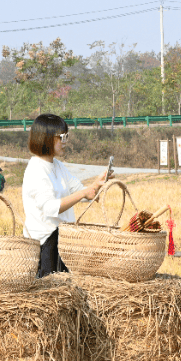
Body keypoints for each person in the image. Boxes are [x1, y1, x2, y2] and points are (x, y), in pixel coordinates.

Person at [22, 113, 110, 278]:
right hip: (43, 246)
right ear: (47, 138)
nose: (65, 142)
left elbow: (79, 191)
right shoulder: (36, 169)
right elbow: (50, 208)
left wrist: (95, 186)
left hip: (61, 242)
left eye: (66, 136)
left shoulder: (58, 166)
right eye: (62, 137)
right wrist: (84, 192)